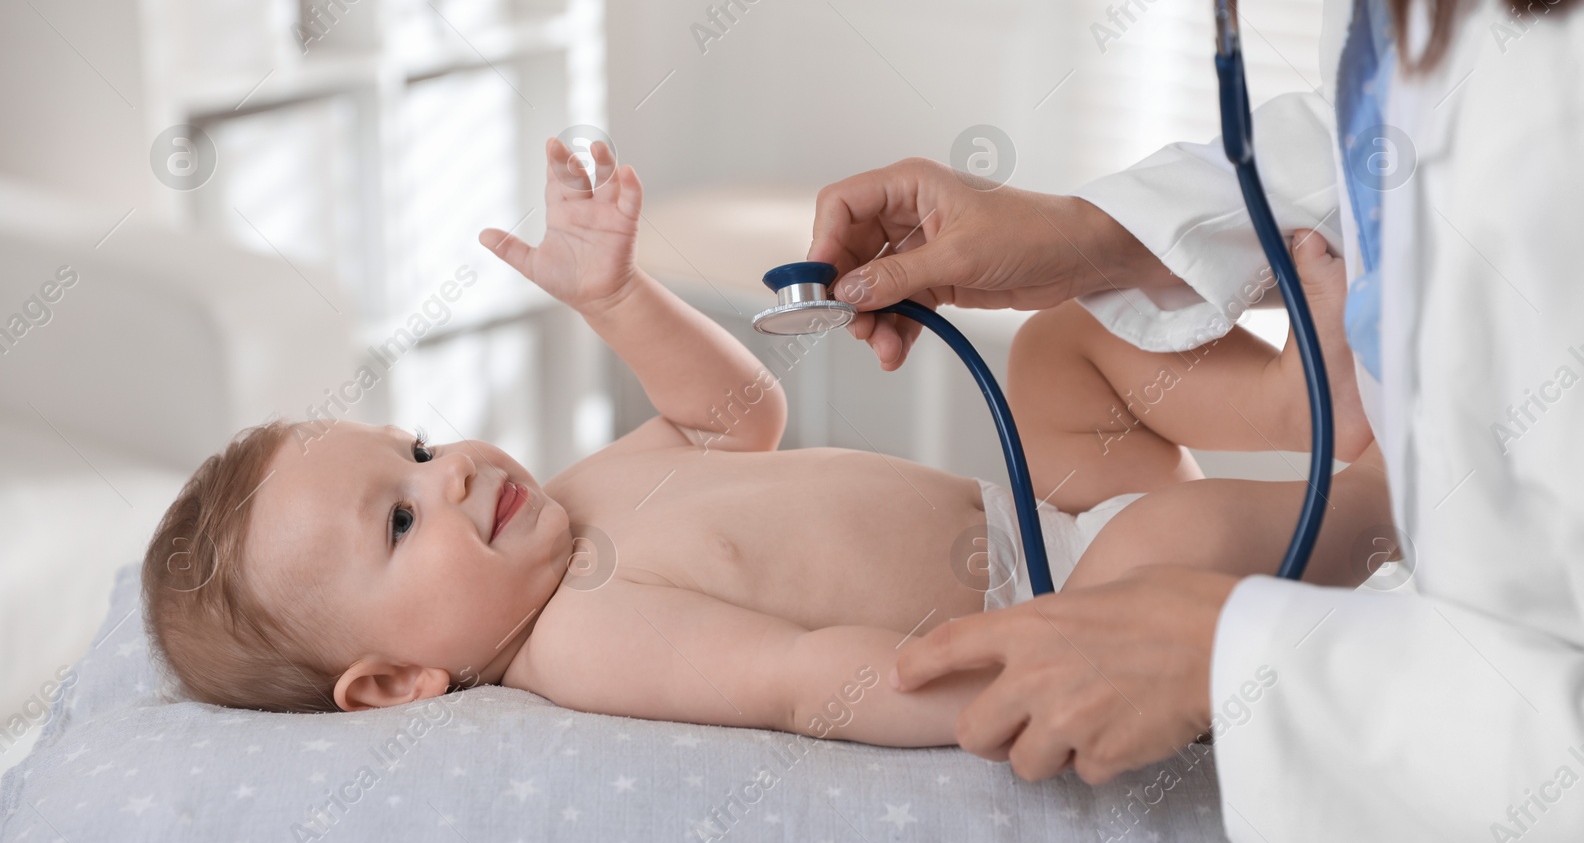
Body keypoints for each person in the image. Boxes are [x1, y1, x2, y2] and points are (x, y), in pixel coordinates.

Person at [807, 0, 1584, 843]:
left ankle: (1366, 489)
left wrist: (1232, 659)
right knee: (1057, 362)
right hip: (1417, 592)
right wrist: (1085, 232)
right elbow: (1387, 142)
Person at [140, 137, 1384, 754]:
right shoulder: (586, 638)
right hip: (1056, 599)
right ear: (400, 681)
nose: (448, 469)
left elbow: (734, 421)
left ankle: (1301, 405)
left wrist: (615, 297)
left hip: (1033, 506)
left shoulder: (577, 494)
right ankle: (1385, 501)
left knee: (1061, 347)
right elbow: (804, 678)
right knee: (1169, 534)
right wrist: (1004, 684)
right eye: (402, 519)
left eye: (411, 446)